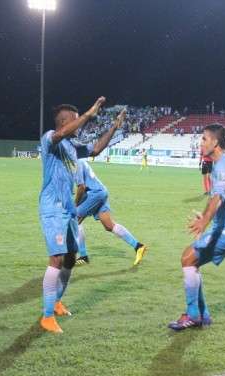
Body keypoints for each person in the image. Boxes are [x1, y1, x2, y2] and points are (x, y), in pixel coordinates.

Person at [39, 97, 124, 334]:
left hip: (68, 209)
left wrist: (114, 127)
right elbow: (59, 135)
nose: (81, 126)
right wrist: (88, 114)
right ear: (65, 122)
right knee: (56, 259)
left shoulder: (71, 148)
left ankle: (56, 302)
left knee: (70, 259)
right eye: (76, 122)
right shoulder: (50, 139)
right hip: (52, 208)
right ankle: (46, 317)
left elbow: (96, 149)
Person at [168, 124, 225, 331]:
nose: (200, 143)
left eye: (203, 139)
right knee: (191, 260)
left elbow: (217, 198)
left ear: (215, 142)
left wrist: (205, 220)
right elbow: (216, 200)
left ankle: (194, 315)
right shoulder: (219, 165)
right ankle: (203, 315)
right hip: (222, 228)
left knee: (187, 259)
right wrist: (207, 216)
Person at [74, 159, 147, 266]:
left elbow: (81, 187)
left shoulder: (76, 163)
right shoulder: (81, 161)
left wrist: (75, 204)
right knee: (109, 225)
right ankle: (138, 246)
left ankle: (83, 256)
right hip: (101, 191)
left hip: (94, 193)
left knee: (75, 220)